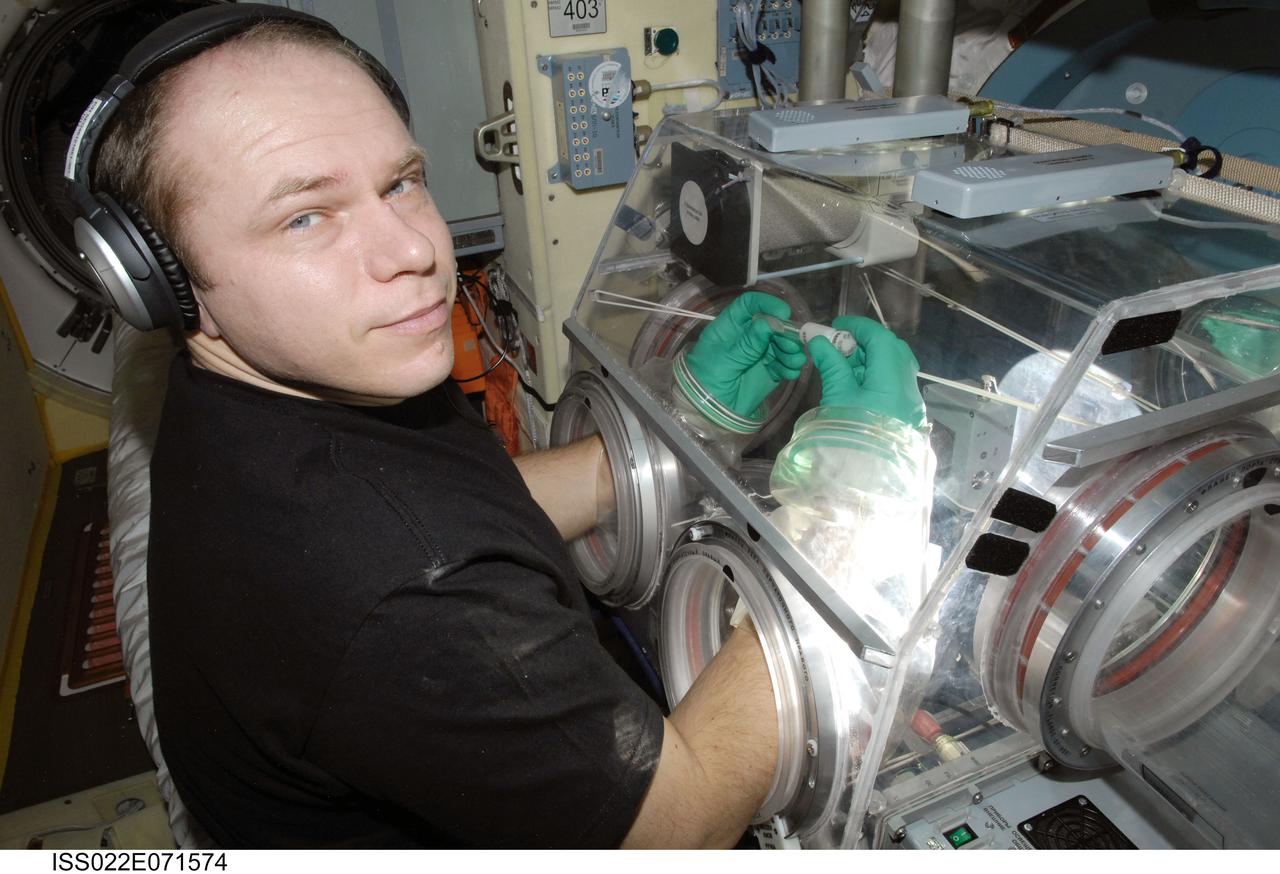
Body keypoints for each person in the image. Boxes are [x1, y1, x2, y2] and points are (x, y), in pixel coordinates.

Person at [80, 4, 924, 850]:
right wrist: (847, 514)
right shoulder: (402, 592)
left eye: (400, 182)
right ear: (161, 281)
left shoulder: (265, 401)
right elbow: (676, 827)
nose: (412, 252)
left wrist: (687, 424)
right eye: (306, 218)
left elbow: (465, 503)